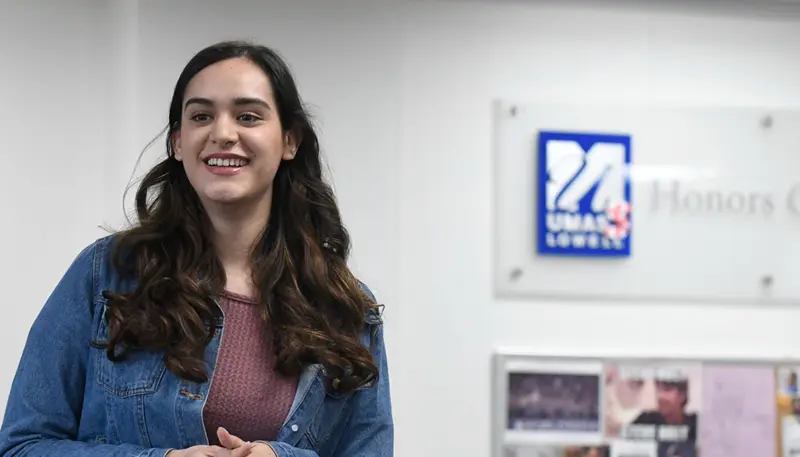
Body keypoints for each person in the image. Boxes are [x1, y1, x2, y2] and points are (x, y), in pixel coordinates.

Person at [0, 40, 393, 457]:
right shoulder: (105, 273)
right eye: (201, 116)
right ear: (177, 142)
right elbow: (21, 447)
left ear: (290, 140)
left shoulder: (346, 309)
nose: (223, 133)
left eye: (248, 116)